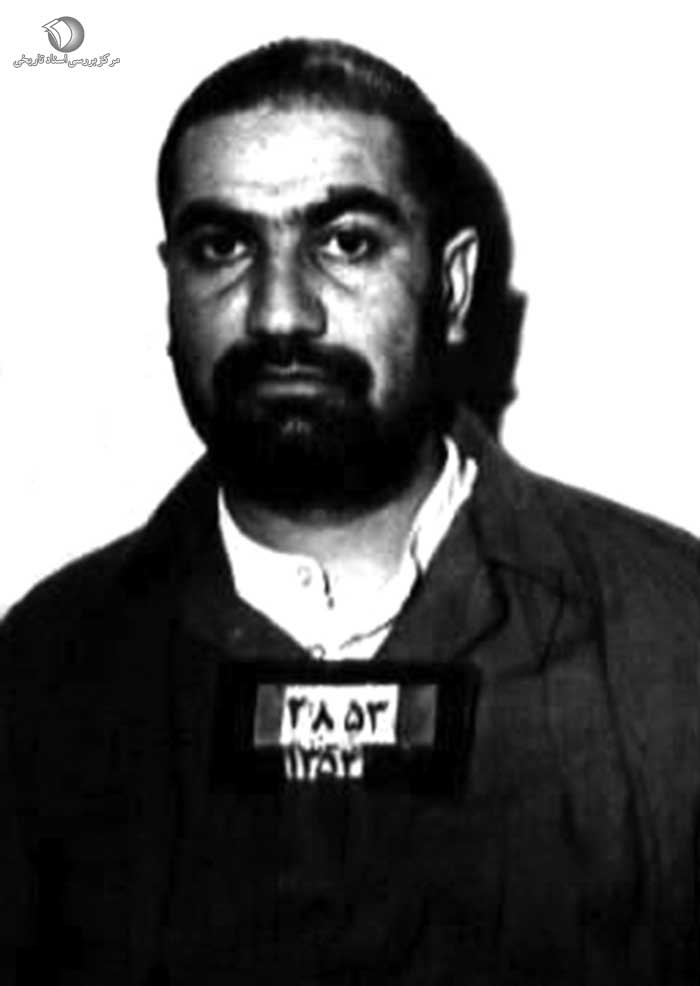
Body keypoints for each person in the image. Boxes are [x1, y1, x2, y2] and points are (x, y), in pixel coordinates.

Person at [1, 37, 699, 986]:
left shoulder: (676, 642)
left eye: (347, 243)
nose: (279, 313)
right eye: (223, 247)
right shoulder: (42, 675)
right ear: (170, 292)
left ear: (452, 287)